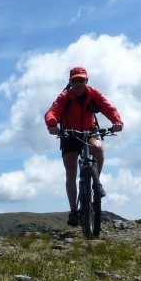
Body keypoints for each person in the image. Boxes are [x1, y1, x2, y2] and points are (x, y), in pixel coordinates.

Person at [45, 66, 124, 226]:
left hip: (90, 130)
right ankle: (74, 211)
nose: (78, 83)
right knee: (71, 171)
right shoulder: (65, 97)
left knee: (99, 148)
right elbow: (52, 112)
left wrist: (116, 121)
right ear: (70, 82)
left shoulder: (93, 93)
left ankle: (96, 183)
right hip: (69, 133)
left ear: (86, 81)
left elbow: (108, 107)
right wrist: (52, 125)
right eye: (75, 80)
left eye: (81, 80)